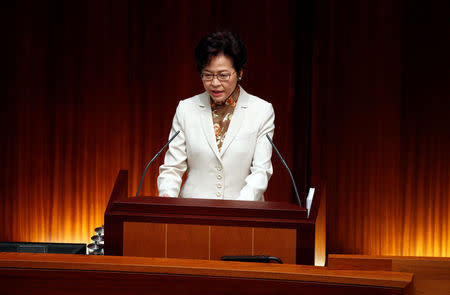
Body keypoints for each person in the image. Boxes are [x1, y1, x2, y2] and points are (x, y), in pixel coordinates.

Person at [157, 31, 274, 201]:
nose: (215, 83)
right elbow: (172, 167)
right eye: (208, 74)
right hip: (192, 213)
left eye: (223, 75)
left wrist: (237, 211)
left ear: (239, 72)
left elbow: (261, 172)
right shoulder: (186, 109)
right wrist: (167, 197)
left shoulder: (261, 111)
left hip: (243, 215)